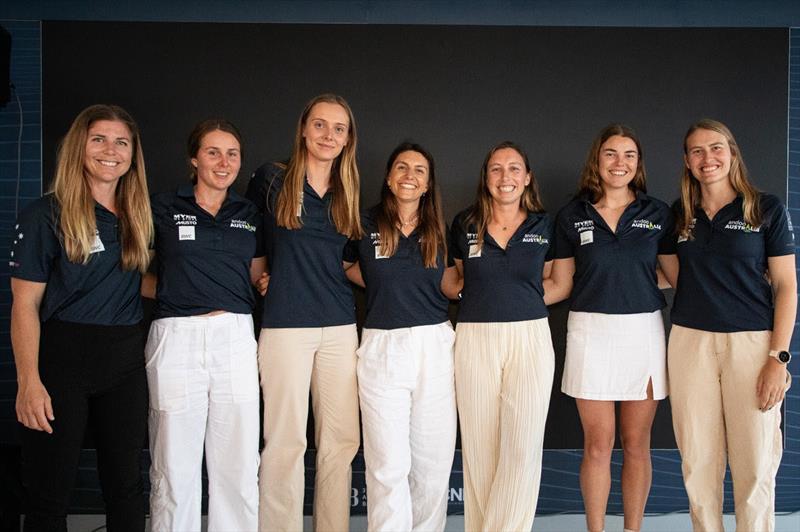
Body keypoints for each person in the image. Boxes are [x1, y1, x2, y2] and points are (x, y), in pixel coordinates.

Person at [10, 104, 152, 531]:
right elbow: (24, 304)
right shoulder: (44, 215)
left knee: (126, 487)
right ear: (79, 147)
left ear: (132, 154)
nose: (111, 150)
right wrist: (28, 382)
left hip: (125, 363)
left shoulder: (139, 217)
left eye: (121, 142)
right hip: (62, 362)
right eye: (99, 139)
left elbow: (135, 281)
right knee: (49, 491)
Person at [545, 124, 678, 532]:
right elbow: (562, 282)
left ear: (638, 164)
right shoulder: (572, 215)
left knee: (637, 445)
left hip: (643, 333)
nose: (619, 163)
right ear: (596, 161)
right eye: (610, 154)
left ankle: (633, 529)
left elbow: (675, 275)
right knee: (598, 446)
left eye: (629, 155)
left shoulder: (658, 213)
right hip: (591, 333)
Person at [667, 119, 795, 532]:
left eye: (717, 148)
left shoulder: (765, 208)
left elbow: (788, 287)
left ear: (732, 153)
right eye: (698, 151)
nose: (709, 159)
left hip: (752, 345)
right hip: (690, 342)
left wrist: (778, 358)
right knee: (698, 463)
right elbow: (671, 276)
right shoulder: (679, 214)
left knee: (755, 464)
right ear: (687, 162)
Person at [246, 93, 362, 532]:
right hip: (284, 326)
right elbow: (249, 239)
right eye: (320, 125)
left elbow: (349, 260)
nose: (328, 135)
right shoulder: (272, 178)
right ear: (302, 129)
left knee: (340, 441)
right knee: (285, 441)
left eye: (338, 128)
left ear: (348, 139)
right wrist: (262, 277)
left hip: (338, 326)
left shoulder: (348, 190)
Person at [143, 119, 265, 531]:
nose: (223, 161)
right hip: (176, 336)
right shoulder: (162, 205)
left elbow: (255, 272)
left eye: (232, 153)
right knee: (174, 464)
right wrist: (174, 291)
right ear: (194, 159)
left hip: (234, 336)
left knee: (238, 463)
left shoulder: (248, 212)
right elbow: (129, 269)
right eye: (213, 152)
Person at [345, 142, 461, 532]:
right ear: (388, 177)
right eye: (402, 167)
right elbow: (347, 268)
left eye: (419, 171)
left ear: (428, 184)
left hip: (434, 346)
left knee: (432, 464)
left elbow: (449, 282)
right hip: (382, 347)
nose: (410, 176)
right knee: (386, 466)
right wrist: (384, 288)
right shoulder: (363, 224)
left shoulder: (439, 230)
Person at [449, 141, 555, 532]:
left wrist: (518, 299)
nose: (505, 177)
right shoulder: (464, 224)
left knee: (522, 449)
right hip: (475, 335)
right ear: (486, 177)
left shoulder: (545, 224)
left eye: (514, 169)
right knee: (480, 449)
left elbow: (560, 282)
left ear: (527, 178)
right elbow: (453, 278)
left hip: (529, 337)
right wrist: (477, 295)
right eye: (496, 169)